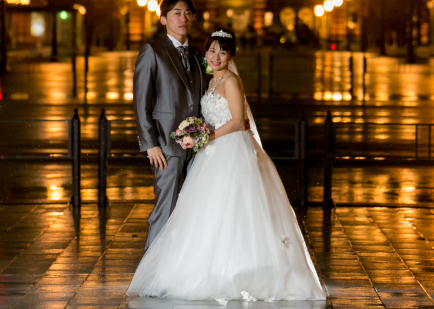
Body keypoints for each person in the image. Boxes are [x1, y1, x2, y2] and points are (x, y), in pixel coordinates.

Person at [127, 28, 325, 301]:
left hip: (229, 150)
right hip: (210, 154)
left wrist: (205, 136)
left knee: (235, 209)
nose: (216, 55)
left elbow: (236, 121)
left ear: (231, 55)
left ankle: (239, 271)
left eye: (223, 51)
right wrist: (199, 135)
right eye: (212, 50)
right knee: (207, 211)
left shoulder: (231, 81)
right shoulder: (209, 82)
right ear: (206, 52)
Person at [133, 0, 208, 251]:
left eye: (188, 13)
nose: (183, 18)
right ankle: (150, 275)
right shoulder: (153, 51)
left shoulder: (198, 55)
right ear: (163, 19)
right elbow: (141, 101)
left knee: (189, 212)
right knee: (164, 210)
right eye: (176, 13)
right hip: (165, 146)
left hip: (196, 146)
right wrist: (150, 144)